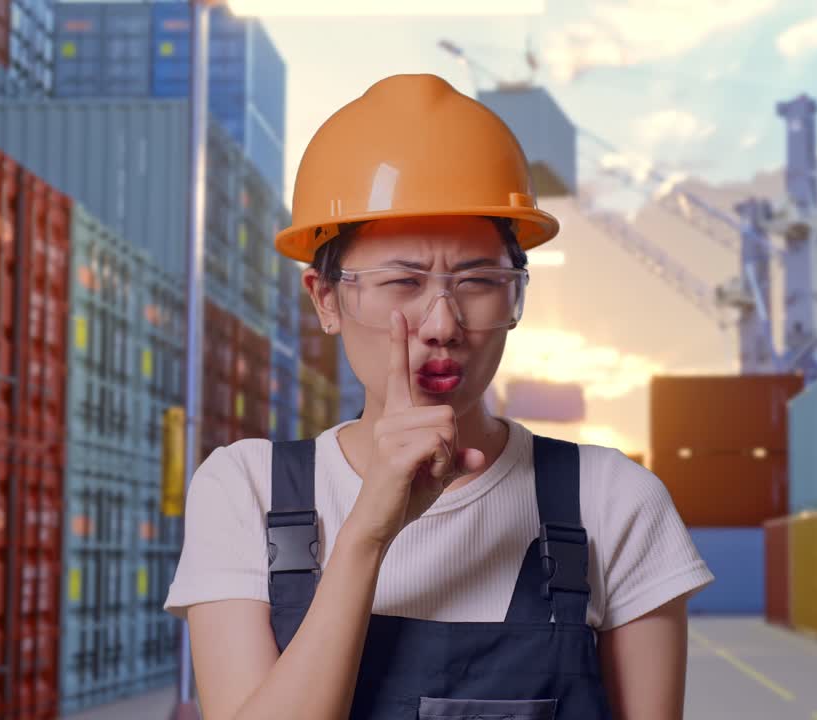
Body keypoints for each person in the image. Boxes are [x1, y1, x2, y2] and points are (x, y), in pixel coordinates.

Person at [165, 73, 714, 720]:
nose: (442, 324)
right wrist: (369, 530)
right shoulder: (247, 490)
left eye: (479, 281)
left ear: (515, 297)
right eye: (402, 282)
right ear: (325, 298)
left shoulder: (615, 502)